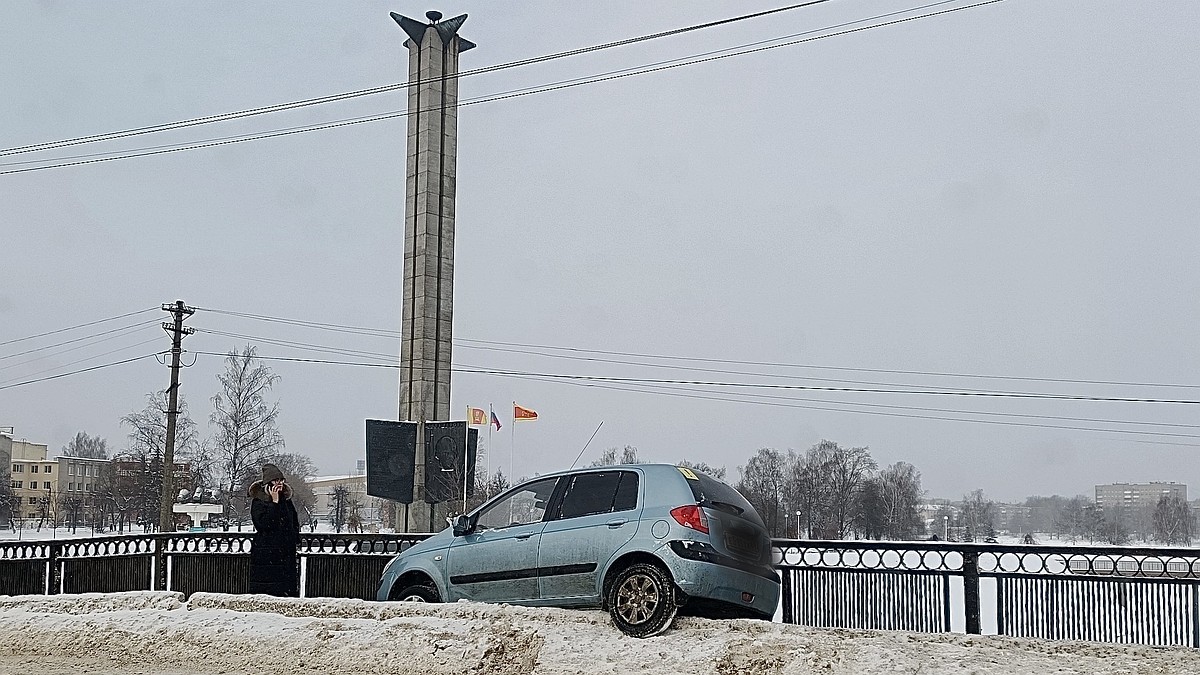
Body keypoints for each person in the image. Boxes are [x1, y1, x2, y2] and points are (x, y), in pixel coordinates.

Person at [248, 463, 301, 596]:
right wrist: (274, 503)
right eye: (276, 480)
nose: (280, 484)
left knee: (286, 592)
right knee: (267, 592)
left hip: (285, 554)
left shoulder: (286, 501)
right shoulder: (259, 501)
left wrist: (294, 540)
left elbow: (293, 523)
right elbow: (263, 524)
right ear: (268, 483)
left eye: (281, 480)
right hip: (266, 553)